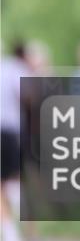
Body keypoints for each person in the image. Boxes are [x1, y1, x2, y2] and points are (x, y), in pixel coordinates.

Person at [1, 45, 31, 241]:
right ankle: (14, 228)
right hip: (11, 131)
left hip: (9, 131)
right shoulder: (13, 68)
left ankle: (11, 232)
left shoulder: (12, 68)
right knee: (13, 179)